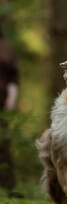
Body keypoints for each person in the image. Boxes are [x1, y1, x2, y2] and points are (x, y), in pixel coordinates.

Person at [0, 30, 19, 193]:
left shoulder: (6, 47)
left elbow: (13, 77)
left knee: (2, 143)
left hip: (1, 101)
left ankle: (7, 185)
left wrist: (11, 98)